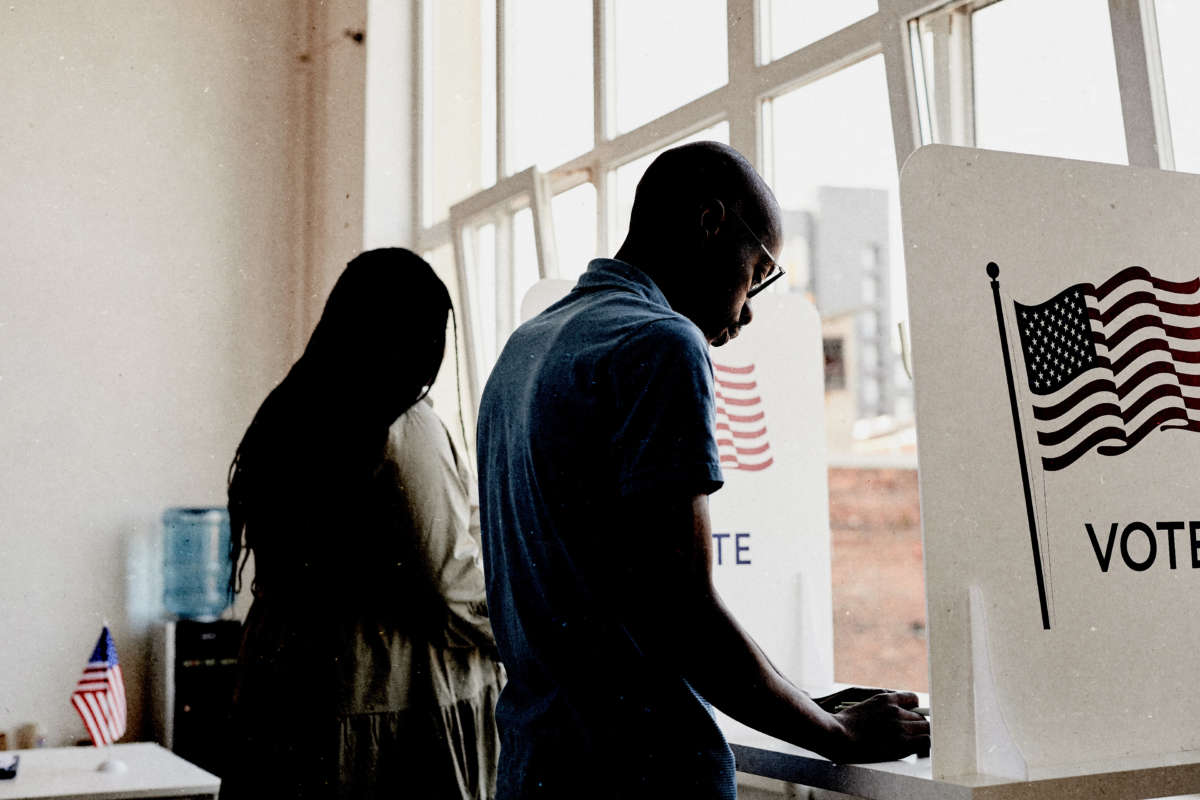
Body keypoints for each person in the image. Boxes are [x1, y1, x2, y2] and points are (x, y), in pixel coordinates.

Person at [475, 142, 930, 799]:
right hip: (641, 774)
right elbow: (682, 612)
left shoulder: (526, 348)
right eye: (760, 270)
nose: (747, 312)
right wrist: (841, 736)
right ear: (710, 222)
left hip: (534, 768)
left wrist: (811, 700)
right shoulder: (659, 343)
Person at [222, 248, 504, 800]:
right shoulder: (402, 425)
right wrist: (523, 629)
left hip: (288, 688)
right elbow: (448, 584)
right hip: (384, 698)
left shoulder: (288, 412)